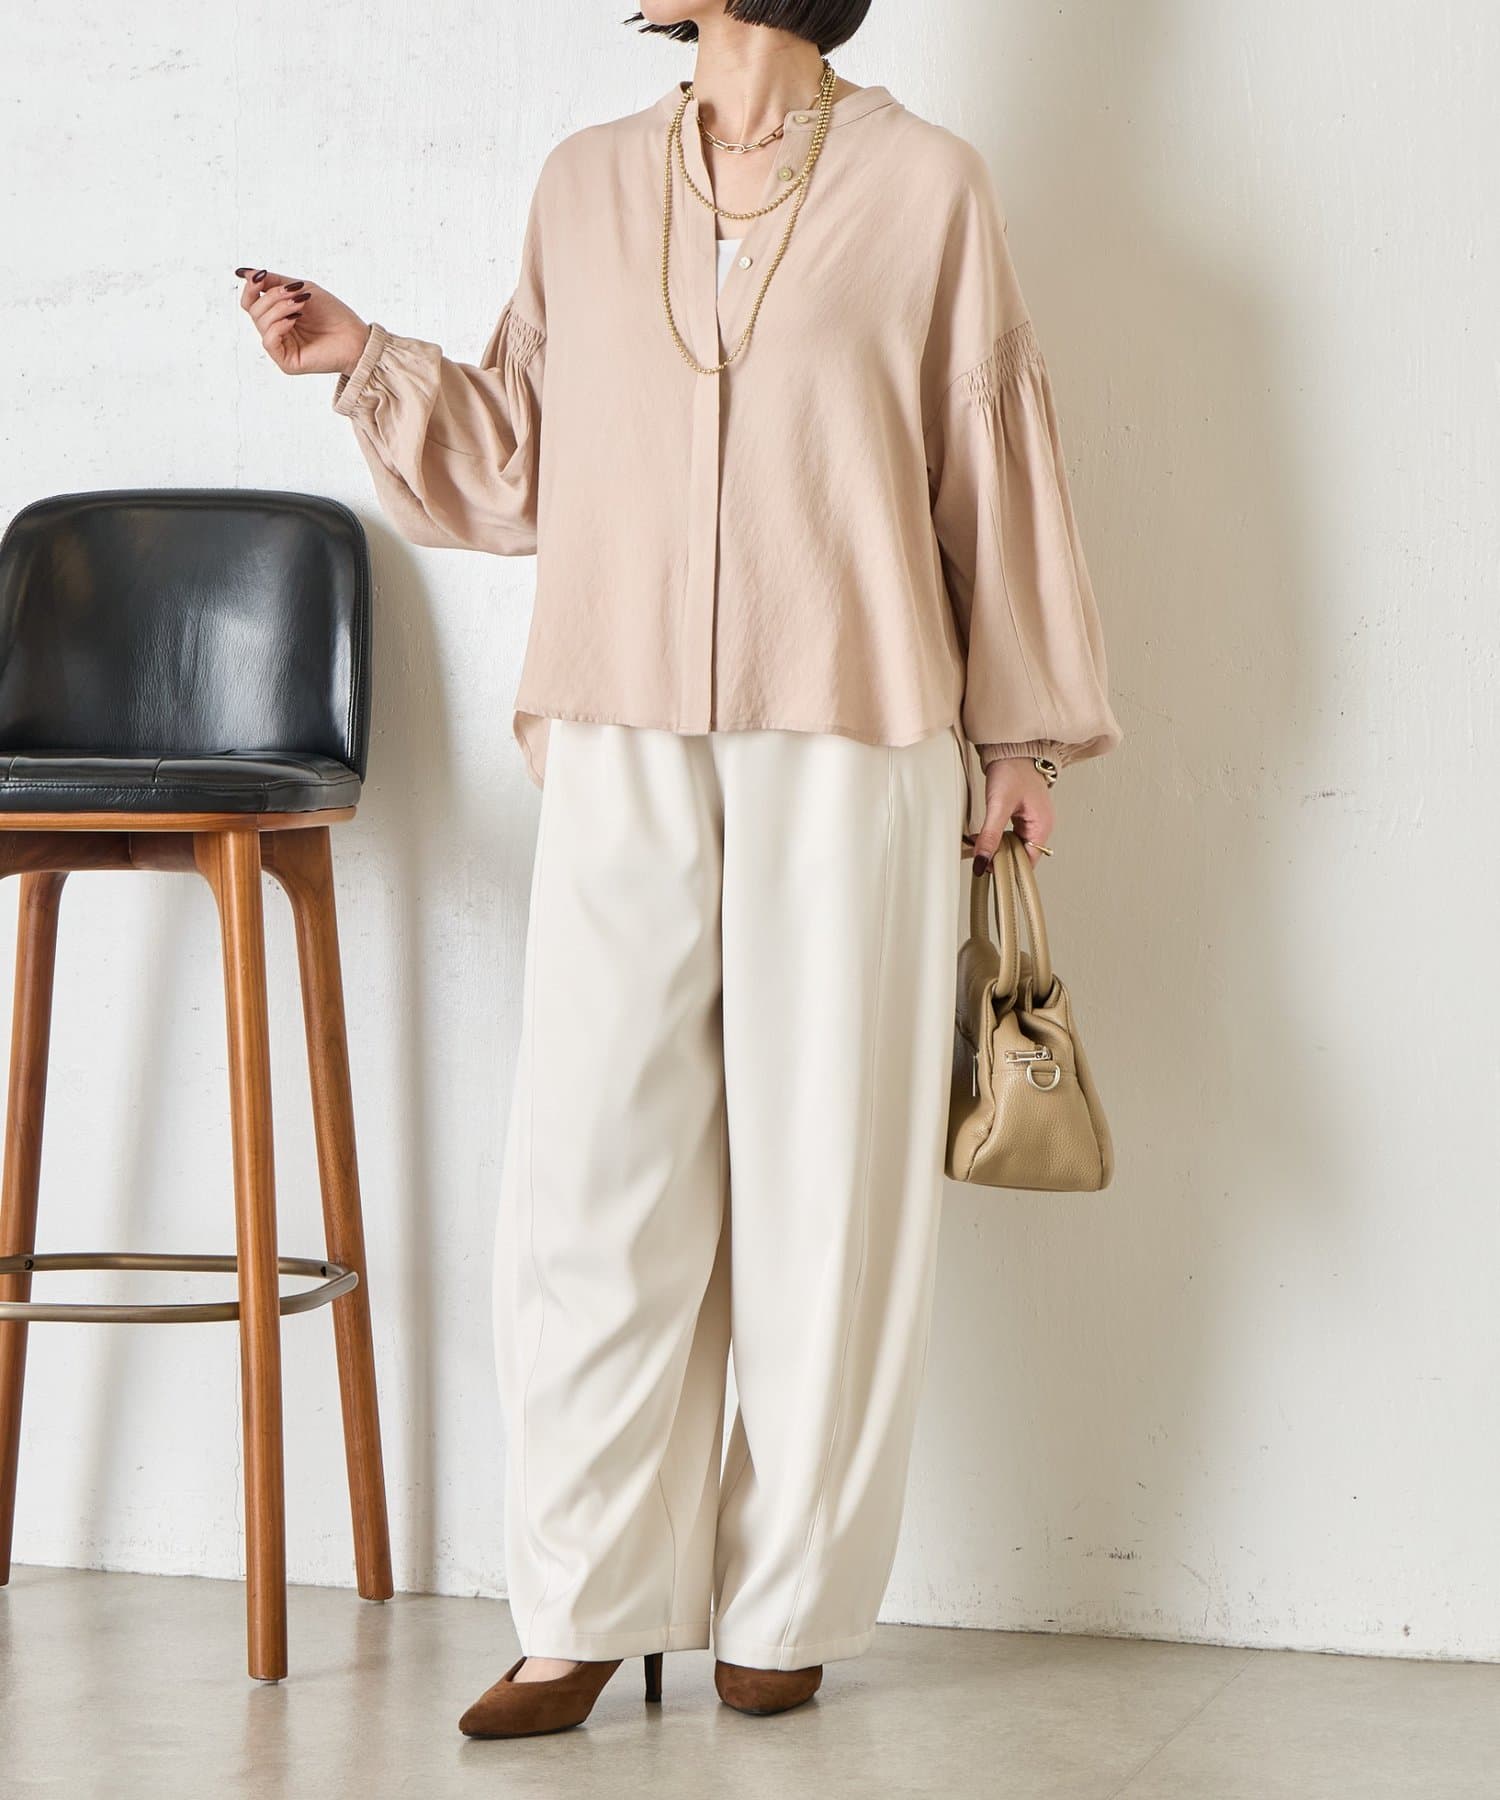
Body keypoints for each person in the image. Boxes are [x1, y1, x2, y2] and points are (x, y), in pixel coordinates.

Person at [235, 0, 1123, 1740]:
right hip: (620, 718)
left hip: (854, 728)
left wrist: (1020, 738)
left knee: (827, 1178)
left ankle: (784, 1602)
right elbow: (523, 462)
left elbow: (988, 471)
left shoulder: (929, 187)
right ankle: (581, 1604)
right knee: (593, 1174)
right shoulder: (583, 185)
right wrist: (365, 360)